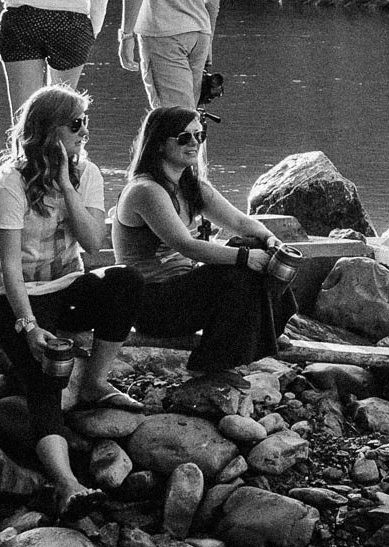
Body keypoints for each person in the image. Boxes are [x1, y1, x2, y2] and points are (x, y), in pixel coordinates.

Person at [0, 86, 140, 508]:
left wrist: (67, 186)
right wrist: (28, 327)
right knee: (44, 380)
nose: (85, 131)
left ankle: (94, 383)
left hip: (66, 287)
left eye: (85, 121)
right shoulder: (7, 188)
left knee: (125, 281)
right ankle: (67, 483)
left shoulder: (88, 175)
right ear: (47, 132)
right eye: (75, 124)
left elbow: (92, 244)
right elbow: (10, 268)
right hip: (12, 299)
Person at [113, 105, 296, 378]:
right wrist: (245, 258)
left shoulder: (191, 186)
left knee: (255, 246)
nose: (195, 143)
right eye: (184, 138)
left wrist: (271, 241)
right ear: (160, 144)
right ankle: (211, 366)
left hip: (182, 292)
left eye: (199, 135)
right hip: (151, 304)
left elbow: (240, 222)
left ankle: (268, 331)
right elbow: (185, 245)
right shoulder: (146, 191)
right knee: (238, 271)